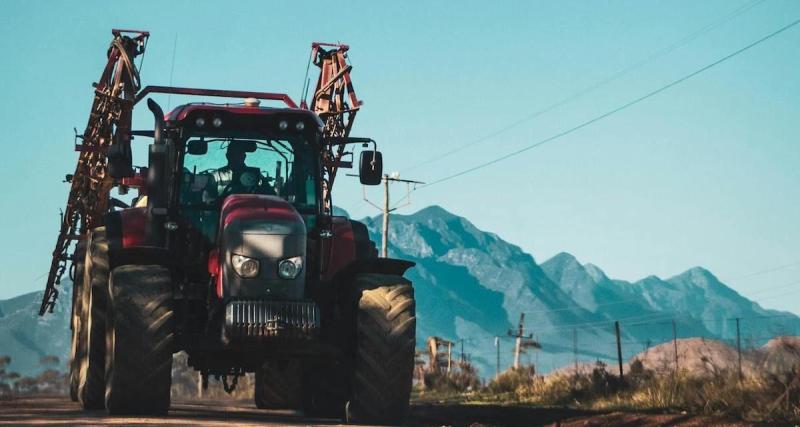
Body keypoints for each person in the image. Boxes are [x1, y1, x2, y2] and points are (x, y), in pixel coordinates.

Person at [203, 141, 274, 202]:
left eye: (239, 153)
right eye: (233, 153)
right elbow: (207, 199)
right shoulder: (217, 176)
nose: (236, 157)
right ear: (227, 156)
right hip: (224, 214)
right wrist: (220, 201)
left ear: (244, 156)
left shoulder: (255, 175)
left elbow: (271, 196)